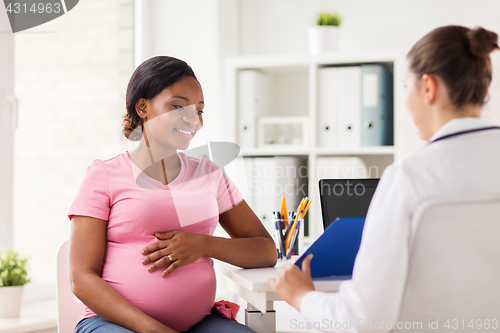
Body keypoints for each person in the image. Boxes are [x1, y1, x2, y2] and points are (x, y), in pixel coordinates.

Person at [268, 25, 500, 332]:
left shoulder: (409, 177)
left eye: (406, 86)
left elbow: (362, 320)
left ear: (428, 88)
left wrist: (302, 295)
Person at [68, 56, 278, 333]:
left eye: (199, 111)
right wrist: (152, 329)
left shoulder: (209, 172)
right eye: (178, 106)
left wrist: (204, 245)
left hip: (199, 323)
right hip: (115, 324)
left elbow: (265, 250)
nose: (193, 120)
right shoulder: (103, 175)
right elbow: (81, 278)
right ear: (142, 107)